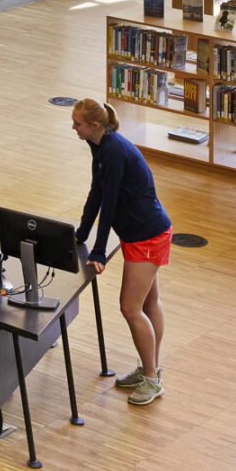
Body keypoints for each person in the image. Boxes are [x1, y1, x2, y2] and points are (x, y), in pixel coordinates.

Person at [72, 97, 172, 405]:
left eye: (78, 124)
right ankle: (148, 368)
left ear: (95, 126)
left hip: (147, 234)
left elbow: (110, 204)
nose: (73, 128)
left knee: (130, 308)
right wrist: (81, 234)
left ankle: (153, 379)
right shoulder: (99, 145)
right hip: (138, 231)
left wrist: (99, 251)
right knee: (149, 300)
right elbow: (97, 192)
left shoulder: (113, 151)